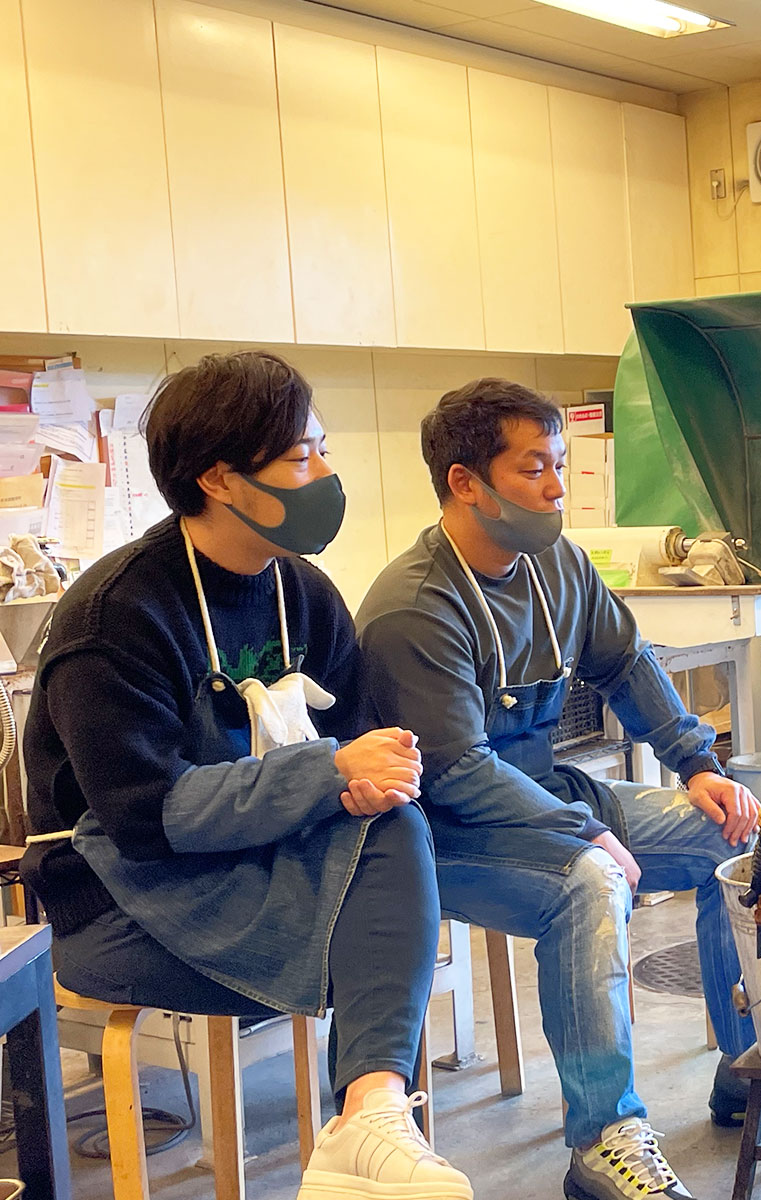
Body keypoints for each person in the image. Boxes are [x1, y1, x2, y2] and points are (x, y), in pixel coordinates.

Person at [21, 352, 469, 1200]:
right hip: (122, 900)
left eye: (324, 450)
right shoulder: (116, 617)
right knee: (381, 949)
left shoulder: (304, 594)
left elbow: (361, 745)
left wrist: (367, 776)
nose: (326, 475)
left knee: (395, 828)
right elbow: (147, 818)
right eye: (302, 457)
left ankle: (370, 1114)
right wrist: (328, 773)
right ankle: (365, 1129)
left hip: (261, 861)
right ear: (220, 478)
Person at [356, 379, 761, 1200]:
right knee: (591, 882)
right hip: (443, 837)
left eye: (559, 464)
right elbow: (461, 772)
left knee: (734, 839)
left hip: (548, 796)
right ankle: (604, 1140)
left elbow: (625, 663)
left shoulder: (559, 563)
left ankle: (749, 1065)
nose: (555, 488)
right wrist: (585, 833)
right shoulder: (415, 608)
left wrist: (698, 766)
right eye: (533, 468)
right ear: (466, 482)